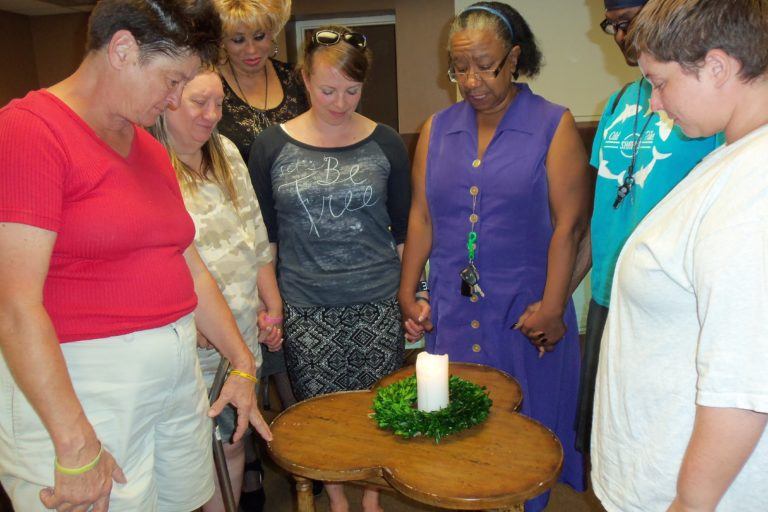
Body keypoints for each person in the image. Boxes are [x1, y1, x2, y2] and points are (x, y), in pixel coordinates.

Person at [0, 1, 271, 511]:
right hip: (85, 389)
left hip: (173, 378)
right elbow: (14, 306)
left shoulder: (147, 148)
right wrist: (75, 443)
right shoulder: (29, 131)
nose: (174, 101)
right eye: (172, 81)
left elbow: (187, 265)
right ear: (122, 50)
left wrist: (241, 361)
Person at [398, 3, 590, 511]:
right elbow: (421, 216)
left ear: (515, 58)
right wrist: (408, 287)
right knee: (460, 434)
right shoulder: (437, 129)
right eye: (459, 67)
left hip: (525, 311)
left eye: (486, 64)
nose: (472, 79)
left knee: (527, 432)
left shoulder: (553, 124)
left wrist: (552, 307)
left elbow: (568, 226)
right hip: (454, 311)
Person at [592, 0, 768, 510]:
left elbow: (745, 379)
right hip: (658, 469)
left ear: (717, 66)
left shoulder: (755, 186)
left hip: (693, 493)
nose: (652, 102)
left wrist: (691, 502)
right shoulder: (732, 159)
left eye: (661, 82)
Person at [249, 25, 410, 512]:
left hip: (377, 302)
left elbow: (404, 234)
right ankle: (337, 499)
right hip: (307, 306)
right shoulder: (270, 146)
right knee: (321, 415)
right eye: (327, 89)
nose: (340, 102)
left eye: (352, 90)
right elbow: (265, 239)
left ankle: (372, 502)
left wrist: (412, 297)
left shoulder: (385, 142)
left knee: (378, 411)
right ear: (303, 78)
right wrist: (271, 305)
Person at [573, 0, 722, 454]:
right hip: (607, 295)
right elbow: (598, 216)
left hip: (673, 303)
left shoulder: (710, 110)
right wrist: (561, 293)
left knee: (664, 440)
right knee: (610, 439)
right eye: (613, 26)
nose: (623, 34)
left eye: (630, 21)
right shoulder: (619, 103)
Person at [151, 69, 283, 512]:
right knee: (188, 453)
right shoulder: (148, 160)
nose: (213, 116)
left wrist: (272, 303)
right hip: (190, 337)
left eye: (220, 104)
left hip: (241, 327)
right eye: (199, 104)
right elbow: (154, 256)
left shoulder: (224, 151)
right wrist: (196, 318)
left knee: (232, 439)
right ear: (168, 99)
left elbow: (253, 231)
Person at [216, 0, 309, 163]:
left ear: (272, 33)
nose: (251, 50)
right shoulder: (209, 87)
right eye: (238, 40)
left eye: (259, 37)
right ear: (222, 41)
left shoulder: (298, 78)